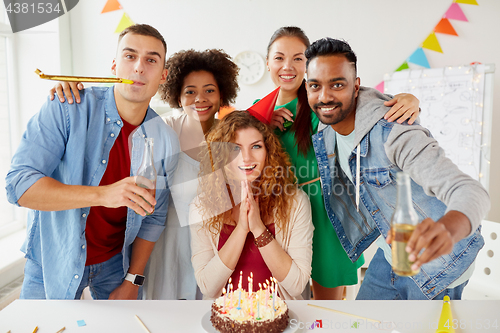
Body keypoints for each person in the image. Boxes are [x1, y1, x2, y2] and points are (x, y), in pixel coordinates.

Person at [305, 37, 490, 300]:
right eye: (315, 85)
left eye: (337, 84)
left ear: (356, 86)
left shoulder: (393, 132)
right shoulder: (325, 128)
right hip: (390, 253)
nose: (324, 96)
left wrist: (447, 229)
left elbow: (471, 192)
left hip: (440, 262)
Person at [5, 24, 180, 300]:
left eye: (151, 60)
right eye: (130, 56)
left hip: (116, 265)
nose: (138, 68)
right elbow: (18, 186)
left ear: (163, 76)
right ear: (114, 65)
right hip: (51, 259)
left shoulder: (166, 138)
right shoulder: (66, 106)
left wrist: (133, 281)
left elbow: (154, 217)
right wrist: (103, 195)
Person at [48, 49, 240, 300]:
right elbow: (121, 112)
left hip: (217, 247)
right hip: (166, 247)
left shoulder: (235, 134)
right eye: (190, 91)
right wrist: (72, 89)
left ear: (222, 93)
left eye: (209, 90)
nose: (200, 99)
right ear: (177, 96)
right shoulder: (163, 130)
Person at [263, 26, 421, 300]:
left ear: (309, 66)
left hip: (328, 212)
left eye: (298, 58)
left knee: (329, 310)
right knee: (283, 303)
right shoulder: (258, 111)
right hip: (282, 216)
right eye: (279, 58)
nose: (287, 66)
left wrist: (411, 99)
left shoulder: (324, 104)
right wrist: (264, 124)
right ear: (268, 63)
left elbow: (371, 104)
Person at [189, 111, 314, 300]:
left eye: (256, 146)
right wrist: (241, 229)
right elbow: (207, 287)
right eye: (235, 148)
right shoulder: (201, 206)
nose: (246, 158)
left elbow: (296, 286)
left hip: (279, 319)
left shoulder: (296, 202)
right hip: (225, 320)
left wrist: (258, 229)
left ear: (268, 151)